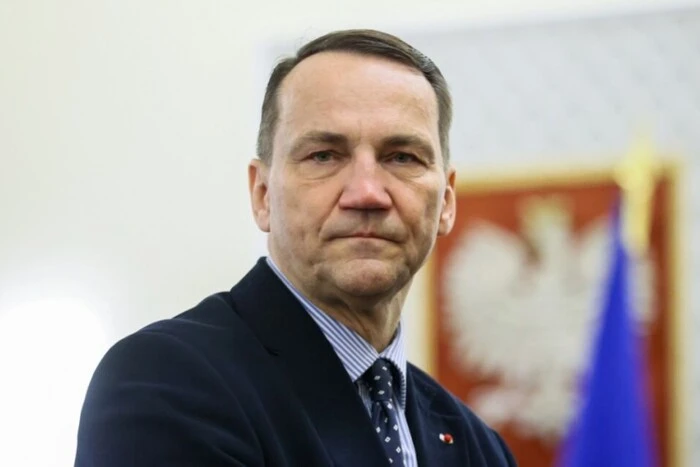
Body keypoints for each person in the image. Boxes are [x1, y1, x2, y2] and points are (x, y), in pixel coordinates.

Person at [74, 29, 516, 467]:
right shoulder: (167, 382)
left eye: (402, 157)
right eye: (324, 155)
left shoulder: (480, 448)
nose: (366, 193)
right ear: (262, 194)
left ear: (446, 202)